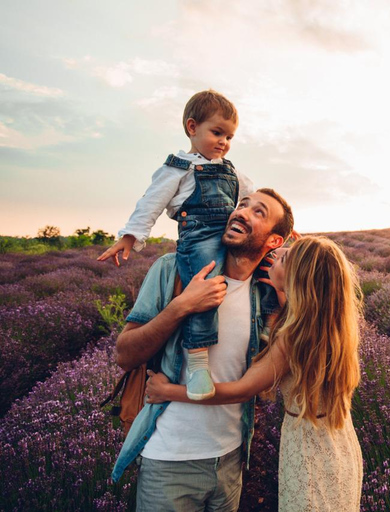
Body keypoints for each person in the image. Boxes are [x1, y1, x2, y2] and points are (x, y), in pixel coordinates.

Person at [146, 236, 364, 511]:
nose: (277, 253)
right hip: (340, 447)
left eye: (285, 258)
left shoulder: (292, 339)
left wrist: (168, 391)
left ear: (298, 280)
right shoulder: (332, 328)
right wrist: (283, 282)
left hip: (309, 455)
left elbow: (242, 390)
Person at [111, 188, 294, 512]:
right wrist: (181, 306)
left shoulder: (265, 294)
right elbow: (124, 355)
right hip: (169, 461)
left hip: (231, 459)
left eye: (259, 212)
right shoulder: (172, 269)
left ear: (275, 241)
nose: (241, 212)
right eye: (242, 204)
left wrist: (280, 305)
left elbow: (264, 383)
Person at [97, 89, 280, 401]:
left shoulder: (231, 169)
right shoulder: (179, 166)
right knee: (205, 288)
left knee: (269, 266)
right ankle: (197, 361)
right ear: (192, 127)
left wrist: (281, 227)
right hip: (199, 237)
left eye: (229, 137)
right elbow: (151, 202)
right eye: (217, 133)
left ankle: (267, 327)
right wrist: (130, 235)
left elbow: (256, 196)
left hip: (226, 234)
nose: (224, 142)